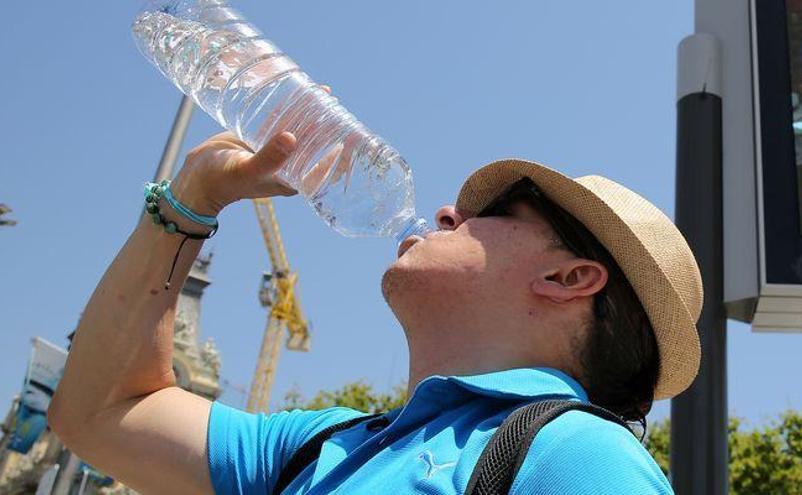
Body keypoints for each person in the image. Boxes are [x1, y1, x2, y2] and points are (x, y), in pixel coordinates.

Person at [48, 126, 702, 494]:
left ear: (567, 276)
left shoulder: (577, 455)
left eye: (491, 212)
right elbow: (101, 411)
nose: (448, 212)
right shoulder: (320, 443)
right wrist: (187, 203)